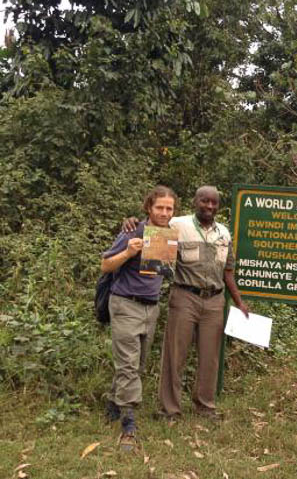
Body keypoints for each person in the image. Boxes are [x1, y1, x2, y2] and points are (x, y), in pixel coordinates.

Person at [125, 185, 248, 420]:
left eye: (214, 203)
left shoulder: (223, 232)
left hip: (214, 300)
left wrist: (239, 302)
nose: (209, 206)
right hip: (184, 297)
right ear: (195, 201)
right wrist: (131, 222)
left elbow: (228, 271)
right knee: (175, 354)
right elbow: (152, 227)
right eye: (205, 201)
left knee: (210, 357)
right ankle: (170, 409)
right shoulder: (177, 225)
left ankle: (205, 406)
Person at [101, 185, 178, 451]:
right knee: (129, 367)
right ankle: (128, 426)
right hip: (125, 305)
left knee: (137, 364)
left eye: (169, 208)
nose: (164, 212)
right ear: (148, 208)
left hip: (151, 309)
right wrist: (128, 253)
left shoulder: (170, 233)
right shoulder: (132, 231)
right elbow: (105, 264)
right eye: (159, 207)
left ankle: (112, 404)